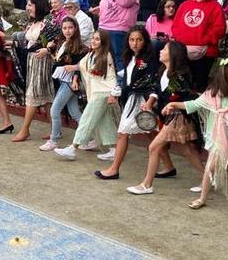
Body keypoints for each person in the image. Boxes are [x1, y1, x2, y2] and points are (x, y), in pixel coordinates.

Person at [162, 58, 228, 209]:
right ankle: (202, 198)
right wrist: (172, 104)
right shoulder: (212, 93)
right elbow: (193, 104)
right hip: (218, 136)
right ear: (226, 73)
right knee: (209, 168)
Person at [127, 41, 204, 195]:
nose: (160, 51)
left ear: (173, 54)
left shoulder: (181, 76)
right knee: (187, 149)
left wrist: (171, 105)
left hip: (178, 118)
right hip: (171, 118)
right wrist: (149, 103)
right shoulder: (162, 71)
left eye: (164, 49)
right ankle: (208, 178)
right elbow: (157, 89)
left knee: (154, 147)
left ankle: (147, 185)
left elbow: (186, 98)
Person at [96, 26, 158, 179]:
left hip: (141, 100)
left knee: (123, 133)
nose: (135, 43)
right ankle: (169, 166)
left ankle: (114, 169)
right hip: (131, 99)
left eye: (139, 40)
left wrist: (150, 101)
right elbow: (125, 80)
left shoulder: (149, 60)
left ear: (145, 41)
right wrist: (116, 93)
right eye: (132, 40)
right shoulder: (128, 57)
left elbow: (153, 83)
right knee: (150, 132)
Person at [54, 30, 119, 161]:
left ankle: (73, 148)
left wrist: (114, 93)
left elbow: (112, 76)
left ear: (104, 42)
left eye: (97, 39)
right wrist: (71, 67)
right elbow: (81, 66)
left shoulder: (106, 56)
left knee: (86, 120)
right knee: (104, 121)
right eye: (93, 38)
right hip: (96, 92)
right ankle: (114, 150)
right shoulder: (90, 54)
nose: (93, 41)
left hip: (102, 93)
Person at [12, 0, 61, 142]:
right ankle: (55, 129)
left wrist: (48, 49)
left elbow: (60, 39)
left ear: (38, 5)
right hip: (32, 60)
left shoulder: (49, 22)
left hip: (42, 61)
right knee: (46, 96)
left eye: (30, 5)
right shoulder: (33, 22)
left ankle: (25, 130)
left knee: (32, 95)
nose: (28, 8)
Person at [171, 0, 226, 91]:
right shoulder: (184, 5)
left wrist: (202, 41)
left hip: (205, 51)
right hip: (184, 50)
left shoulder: (215, 6)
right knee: (184, 83)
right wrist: (182, 42)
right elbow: (175, 27)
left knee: (200, 84)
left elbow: (219, 29)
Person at [40, 17, 88, 151]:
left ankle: (54, 139)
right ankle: (90, 138)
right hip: (62, 79)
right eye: (64, 28)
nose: (67, 31)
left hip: (70, 81)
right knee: (75, 112)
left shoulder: (80, 47)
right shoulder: (61, 42)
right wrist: (48, 49)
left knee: (55, 110)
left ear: (76, 28)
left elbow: (81, 65)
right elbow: (55, 52)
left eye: (70, 28)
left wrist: (75, 79)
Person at [98, 0, 139, 76]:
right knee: (105, 57)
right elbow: (108, 4)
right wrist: (99, 9)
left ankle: (122, 83)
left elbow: (125, 1)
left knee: (119, 57)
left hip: (118, 28)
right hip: (104, 26)